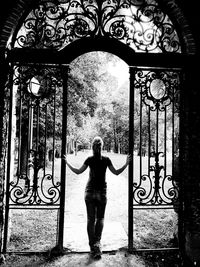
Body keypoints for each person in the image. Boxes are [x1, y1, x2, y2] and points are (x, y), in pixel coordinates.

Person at [64, 136, 131, 259]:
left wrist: (67, 162)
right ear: (102, 146)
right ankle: (97, 244)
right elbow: (116, 172)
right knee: (99, 219)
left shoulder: (89, 159)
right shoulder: (106, 159)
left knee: (90, 220)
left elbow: (78, 171)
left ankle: (92, 247)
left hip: (89, 192)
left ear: (92, 147)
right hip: (101, 193)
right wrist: (126, 164)